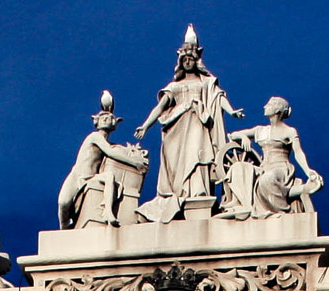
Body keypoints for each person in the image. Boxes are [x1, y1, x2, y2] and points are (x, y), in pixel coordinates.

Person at [134, 26, 242, 223]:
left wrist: (232, 111)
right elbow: (159, 108)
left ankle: (198, 191)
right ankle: (181, 193)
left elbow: (218, 98)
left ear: (197, 61)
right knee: (180, 161)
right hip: (177, 129)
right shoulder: (174, 86)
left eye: (191, 59)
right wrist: (145, 125)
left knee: (198, 155)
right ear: (180, 63)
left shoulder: (206, 83)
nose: (188, 62)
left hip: (198, 125)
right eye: (185, 60)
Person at [219, 97, 323, 219]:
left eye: (269, 105)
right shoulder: (260, 130)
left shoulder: (289, 131)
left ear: (278, 109)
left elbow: (298, 152)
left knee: (267, 179)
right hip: (263, 167)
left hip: (281, 168)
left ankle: (286, 205)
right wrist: (243, 137)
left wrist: (308, 171)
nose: (265, 106)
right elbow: (234, 134)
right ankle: (245, 206)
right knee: (238, 168)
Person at [57, 92, 150, 229]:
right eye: (103, 117)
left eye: (110, 117)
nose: (107, 119)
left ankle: (107, 212)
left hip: (91, 177)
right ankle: (64, 227)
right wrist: (134, 162)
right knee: (63, 203)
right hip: (77, 176)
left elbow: (115, 151)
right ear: (96, 121)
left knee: (109, 177)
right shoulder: (94, 136)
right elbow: (110, 152)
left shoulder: (110, 144)